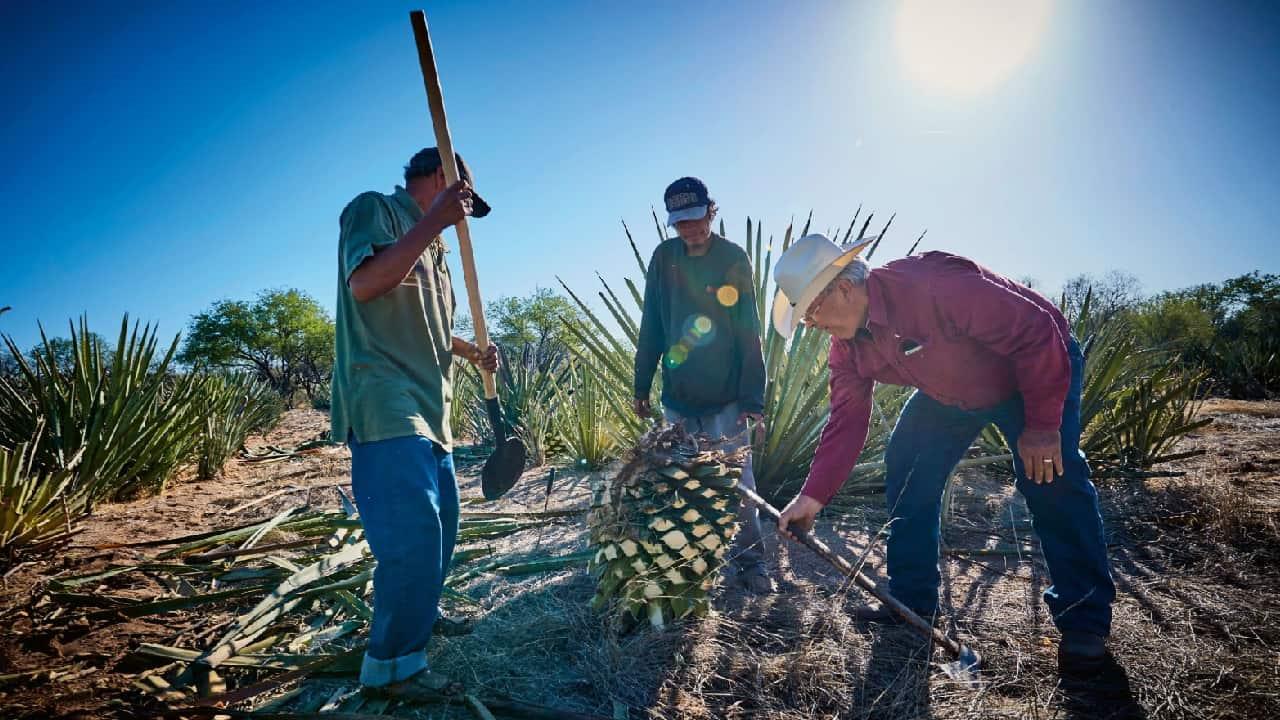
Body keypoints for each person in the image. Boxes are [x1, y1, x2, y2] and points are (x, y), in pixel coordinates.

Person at [771, 233, 1116, 673]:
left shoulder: (929, 285)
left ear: (842, 287)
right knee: (909, 466)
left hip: (1034, 364)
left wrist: (1044, 425)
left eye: (811, 311)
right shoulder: (846, 348)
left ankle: (1084, 620)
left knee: (1051, 479)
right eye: (803, 319)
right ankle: (913, 602)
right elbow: (847, 420)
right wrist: (812, 497)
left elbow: (1035, 332)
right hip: (951, 391)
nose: (812, 325)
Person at [331, 147, 498, 698]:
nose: (465, 211)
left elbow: (427, 323)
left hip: (434, 405)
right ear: (440, 177)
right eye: (465, 197)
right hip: (384, 397)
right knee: (414, 530)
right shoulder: (374, 210)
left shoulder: (438, 247)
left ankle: (418, 619)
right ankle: (392, 666)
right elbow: (366, 285)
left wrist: (471, 351)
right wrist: (432, 222)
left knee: (443, 526)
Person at [634, 176, 773, 593]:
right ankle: (694, 565)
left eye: (696, 219)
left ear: (711, 212)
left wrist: (753, 398)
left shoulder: (732, 257)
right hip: (678, 398)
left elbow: (750, 328)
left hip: (727, 397)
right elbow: (651, 325)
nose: (690, 229)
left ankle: (751, 565)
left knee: (740, 488)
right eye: (680, 223)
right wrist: (642, 385)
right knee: (679, 485)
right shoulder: (664, 258)